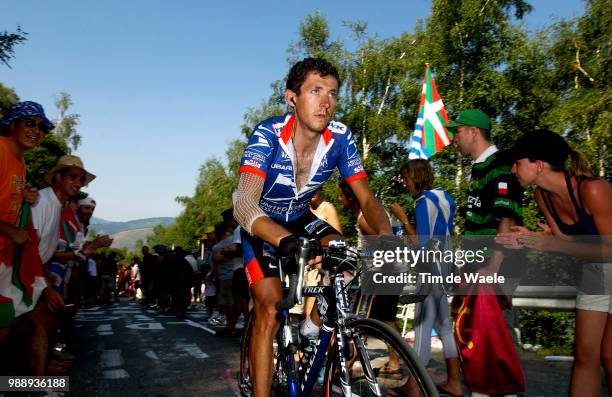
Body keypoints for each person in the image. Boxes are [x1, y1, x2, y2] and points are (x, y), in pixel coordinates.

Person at [233, 57, 392, 396]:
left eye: (333, 93)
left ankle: (311, 326)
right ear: (292, 98)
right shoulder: (268, 134)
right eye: (316, 91)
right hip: (262, 224)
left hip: (301, 218)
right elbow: (243, 203)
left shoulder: (341, 138)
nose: (326, 102)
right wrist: (285, 241)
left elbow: (367, 199)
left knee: (344, 257)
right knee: (270, 309)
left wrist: (388, 240)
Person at [497, 130, 612, 397]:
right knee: (585, 355)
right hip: (595, 271)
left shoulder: (593, 189)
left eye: (517, 162)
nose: (513, 169)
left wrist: (546, 243)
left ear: (538, 165)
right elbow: (564, 241)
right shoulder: (542, 195)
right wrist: (528, 239)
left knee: (609, 355)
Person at [446, 109, 525, 397]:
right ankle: (484, 388)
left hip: (497, 266)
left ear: (473, 132)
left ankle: (505, 389)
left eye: (457, 132)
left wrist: (494, 265)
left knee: (496, 334)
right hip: (478, 265)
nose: (454, 139)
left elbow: (506, 218)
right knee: (475, 333)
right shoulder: (480, 167)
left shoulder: (500, 164)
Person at [0, 101, 63, 375]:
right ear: (11, 124)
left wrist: (26, 198)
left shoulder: (20, 163)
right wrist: (10, 230)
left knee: (21, 320)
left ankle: (28, 382)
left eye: (41, 127)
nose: (36, 131)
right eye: (29, 123)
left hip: (6, 259)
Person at [390, 159, 462, 397]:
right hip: (446, 267)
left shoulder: (422, 203)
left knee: (421, 328)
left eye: (406, 178)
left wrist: (402, 218)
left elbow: (419, 243)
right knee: (445, 328)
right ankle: (454, 382)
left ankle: (414, 387)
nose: (405, 183)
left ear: (415, 177)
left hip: (429, 270)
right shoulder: (445, 198)